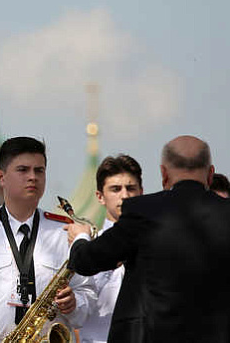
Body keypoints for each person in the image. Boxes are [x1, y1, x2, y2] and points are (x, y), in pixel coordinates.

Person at [67, 135, 230, 342]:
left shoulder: (143, 211)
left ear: (164, 174)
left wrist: (81, 237)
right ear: (210, 174)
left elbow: (87, 261)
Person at [0, 136, 95, 342]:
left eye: (39, 170)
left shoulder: (64, 232)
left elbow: (88, 294)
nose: (33, 177)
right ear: (1, 177)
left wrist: (75, 304)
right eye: (23, 170)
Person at [78, 155, 143, 343]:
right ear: (100, 197)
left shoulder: (156, 245)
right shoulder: (87, 247)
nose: (124, 195)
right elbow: (79, 310)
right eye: (115, 189)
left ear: (141, 192)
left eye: (131, 188)